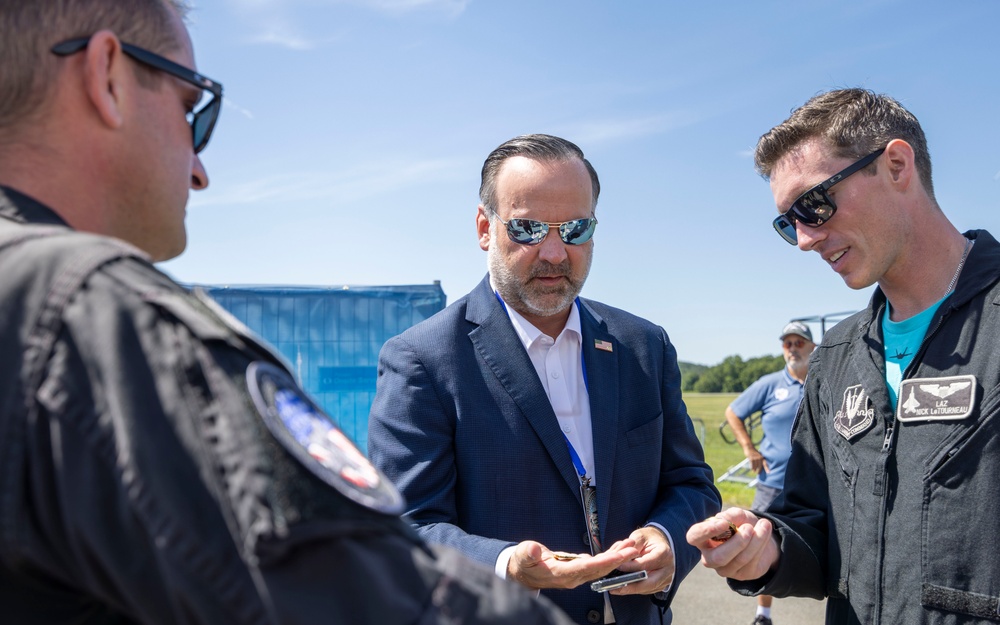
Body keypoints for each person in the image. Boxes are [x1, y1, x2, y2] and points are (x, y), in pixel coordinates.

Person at [0, 2, 575, 623]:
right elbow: (377, 595)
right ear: (107, 74)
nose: (198, 172)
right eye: (193, 112)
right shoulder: (94, 317)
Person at [368, 133, 721, 625]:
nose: (555, 252)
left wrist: (666, 539)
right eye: (529, 228)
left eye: (575, 229)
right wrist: (505, 565)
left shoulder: (643, 345)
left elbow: (691, 484)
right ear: (484, 228)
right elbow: (404, 528)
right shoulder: (423, 360)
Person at [686, 87, 1000, 624]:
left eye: (813, 204)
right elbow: (816, 528)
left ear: (896, 165)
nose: (805, 239)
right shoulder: (835, 357)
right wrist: (767, 552)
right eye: (789, 223)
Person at [723, 321, 815, 625]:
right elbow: (733, 412)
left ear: (812, 346)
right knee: (761, 546)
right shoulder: (770, 383)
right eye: (787, 343)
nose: (792, 349)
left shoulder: (823, 380)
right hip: (773, 482)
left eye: (799, 343)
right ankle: (763, 613)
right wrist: (749, 448)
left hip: (817, 485)